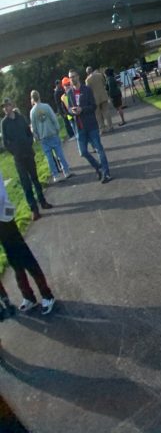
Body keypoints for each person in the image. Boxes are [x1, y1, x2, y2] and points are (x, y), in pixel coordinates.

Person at [0, 170, 56, 315]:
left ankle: (46, 294)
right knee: (14, 261)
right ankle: (28, 296)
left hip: (4, 218)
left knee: (25, 257)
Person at [1, 99, 52, 219]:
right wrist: (14, 151)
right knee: (26, 184)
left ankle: (43, 201)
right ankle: (34, 209)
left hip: (28, 153)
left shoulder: (21, 118)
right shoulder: (4, 123)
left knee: (35, 179)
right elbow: (5, 142)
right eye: (4, 107)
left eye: (7, 106)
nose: (5, 108)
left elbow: (28, 132)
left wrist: (29, 143)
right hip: (18, 158)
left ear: (11, 106)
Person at [65, 69, 112, 183]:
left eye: (74, 76)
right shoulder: (69, 93)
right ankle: (98, 167)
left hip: (91, 125)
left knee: (99, 149)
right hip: (80, 127)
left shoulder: (87, 90)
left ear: (78, 77)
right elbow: (69, 109)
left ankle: (106, 173)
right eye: (70, 78)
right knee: (83, 152)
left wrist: (82, 109)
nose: (72, 79)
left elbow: (94, 106)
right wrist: (72, 111)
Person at [29, 90, 74, 183]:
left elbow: (33, 126)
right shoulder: (46, 106)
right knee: (59, 153)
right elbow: (54, 118)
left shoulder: (32, 112)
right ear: (39, 96)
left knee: (49, 158)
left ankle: (56, 175)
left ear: (32, 99)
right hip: (52, 133)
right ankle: (66, 171)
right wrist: (57, 129)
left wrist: (36, 136)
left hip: (43, 137)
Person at [85, 65, 114, 133]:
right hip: (103, 95)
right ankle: (110, 126)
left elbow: (88, 90)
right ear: (92, 70)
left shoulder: (87, 80)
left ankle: (102, 128)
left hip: (95, 99)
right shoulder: (99, 75)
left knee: (98, 114)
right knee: (106, 111)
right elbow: (104, 83)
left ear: (87, 73)